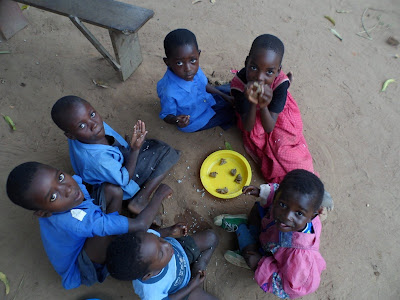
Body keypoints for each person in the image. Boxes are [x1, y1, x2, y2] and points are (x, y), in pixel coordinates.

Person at [6, 161, 173, 290]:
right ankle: (118, 239)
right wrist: (159, 194)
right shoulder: (78, 223)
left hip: (85, 227)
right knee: (106, 237)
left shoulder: (70, 196)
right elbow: (140, 225)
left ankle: (117, 228)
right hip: (79, 265)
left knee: (112, 190)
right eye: (53, 197)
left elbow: (85, 196)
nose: (68, 189)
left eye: (60, 177)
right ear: (43, 213)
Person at [51, 95, 180, 219]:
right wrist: (134, 150)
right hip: (121, 184)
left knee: (151, 146)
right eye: (82, 126)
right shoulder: (98, 160)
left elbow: (111, 140)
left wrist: (128, 148)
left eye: (92, 114)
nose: (93, 124)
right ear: (71, 135)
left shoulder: (84, 133)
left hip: (111, 169)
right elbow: (124, 180)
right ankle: (140, 200)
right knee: (166, 152)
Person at [214, 169, 326, 299]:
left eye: (299, 213)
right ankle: (248, 229)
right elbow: (280, 191)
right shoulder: (294, 203)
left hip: (274, 258)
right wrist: (261, 192)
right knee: (258, 207)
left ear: (312, 217)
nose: (286, 216)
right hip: (271, 232)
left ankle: (244, 236)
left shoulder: (300, 257)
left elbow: (292, 288)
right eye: (283, 204)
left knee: (250, 256)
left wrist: (261, 265)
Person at [231, 34, 315, 184]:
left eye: (269, 71)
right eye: (254, 67)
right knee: (267, 153)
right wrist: (252, 102)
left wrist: (263, 106)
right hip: (253, 121)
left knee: (285, 149)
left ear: (277, 71)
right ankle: (286, 183)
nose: (259, 78)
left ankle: (306, 182)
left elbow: (270, 127)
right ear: (246, 62)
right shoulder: (239, 86)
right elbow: (248, 126)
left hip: (278, 118)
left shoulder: (279, 84)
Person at [107, 224, 219, 300]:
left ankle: (199, 266)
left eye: (159, 240)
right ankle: (195, 279)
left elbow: (155, 233)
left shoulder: (145, 241)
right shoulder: (151, 292)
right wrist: (190, 287)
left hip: (182, 250)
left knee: (212, 237)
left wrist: (170, 230)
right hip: (182, 287)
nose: (166, 244)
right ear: (148, 275)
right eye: (161, 253)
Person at [158, 28, 235, 132]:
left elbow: (204, 85)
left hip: (206, 100)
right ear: (167, 62)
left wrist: (224, 96)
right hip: (197, 119)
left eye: (193, 60)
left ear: (198, 55)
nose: (188, 68)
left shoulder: (195, 70)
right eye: (179, 63)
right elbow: (166, 115)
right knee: (233, 113)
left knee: (231, 91)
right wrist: (176, 120)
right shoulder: (169, 91)